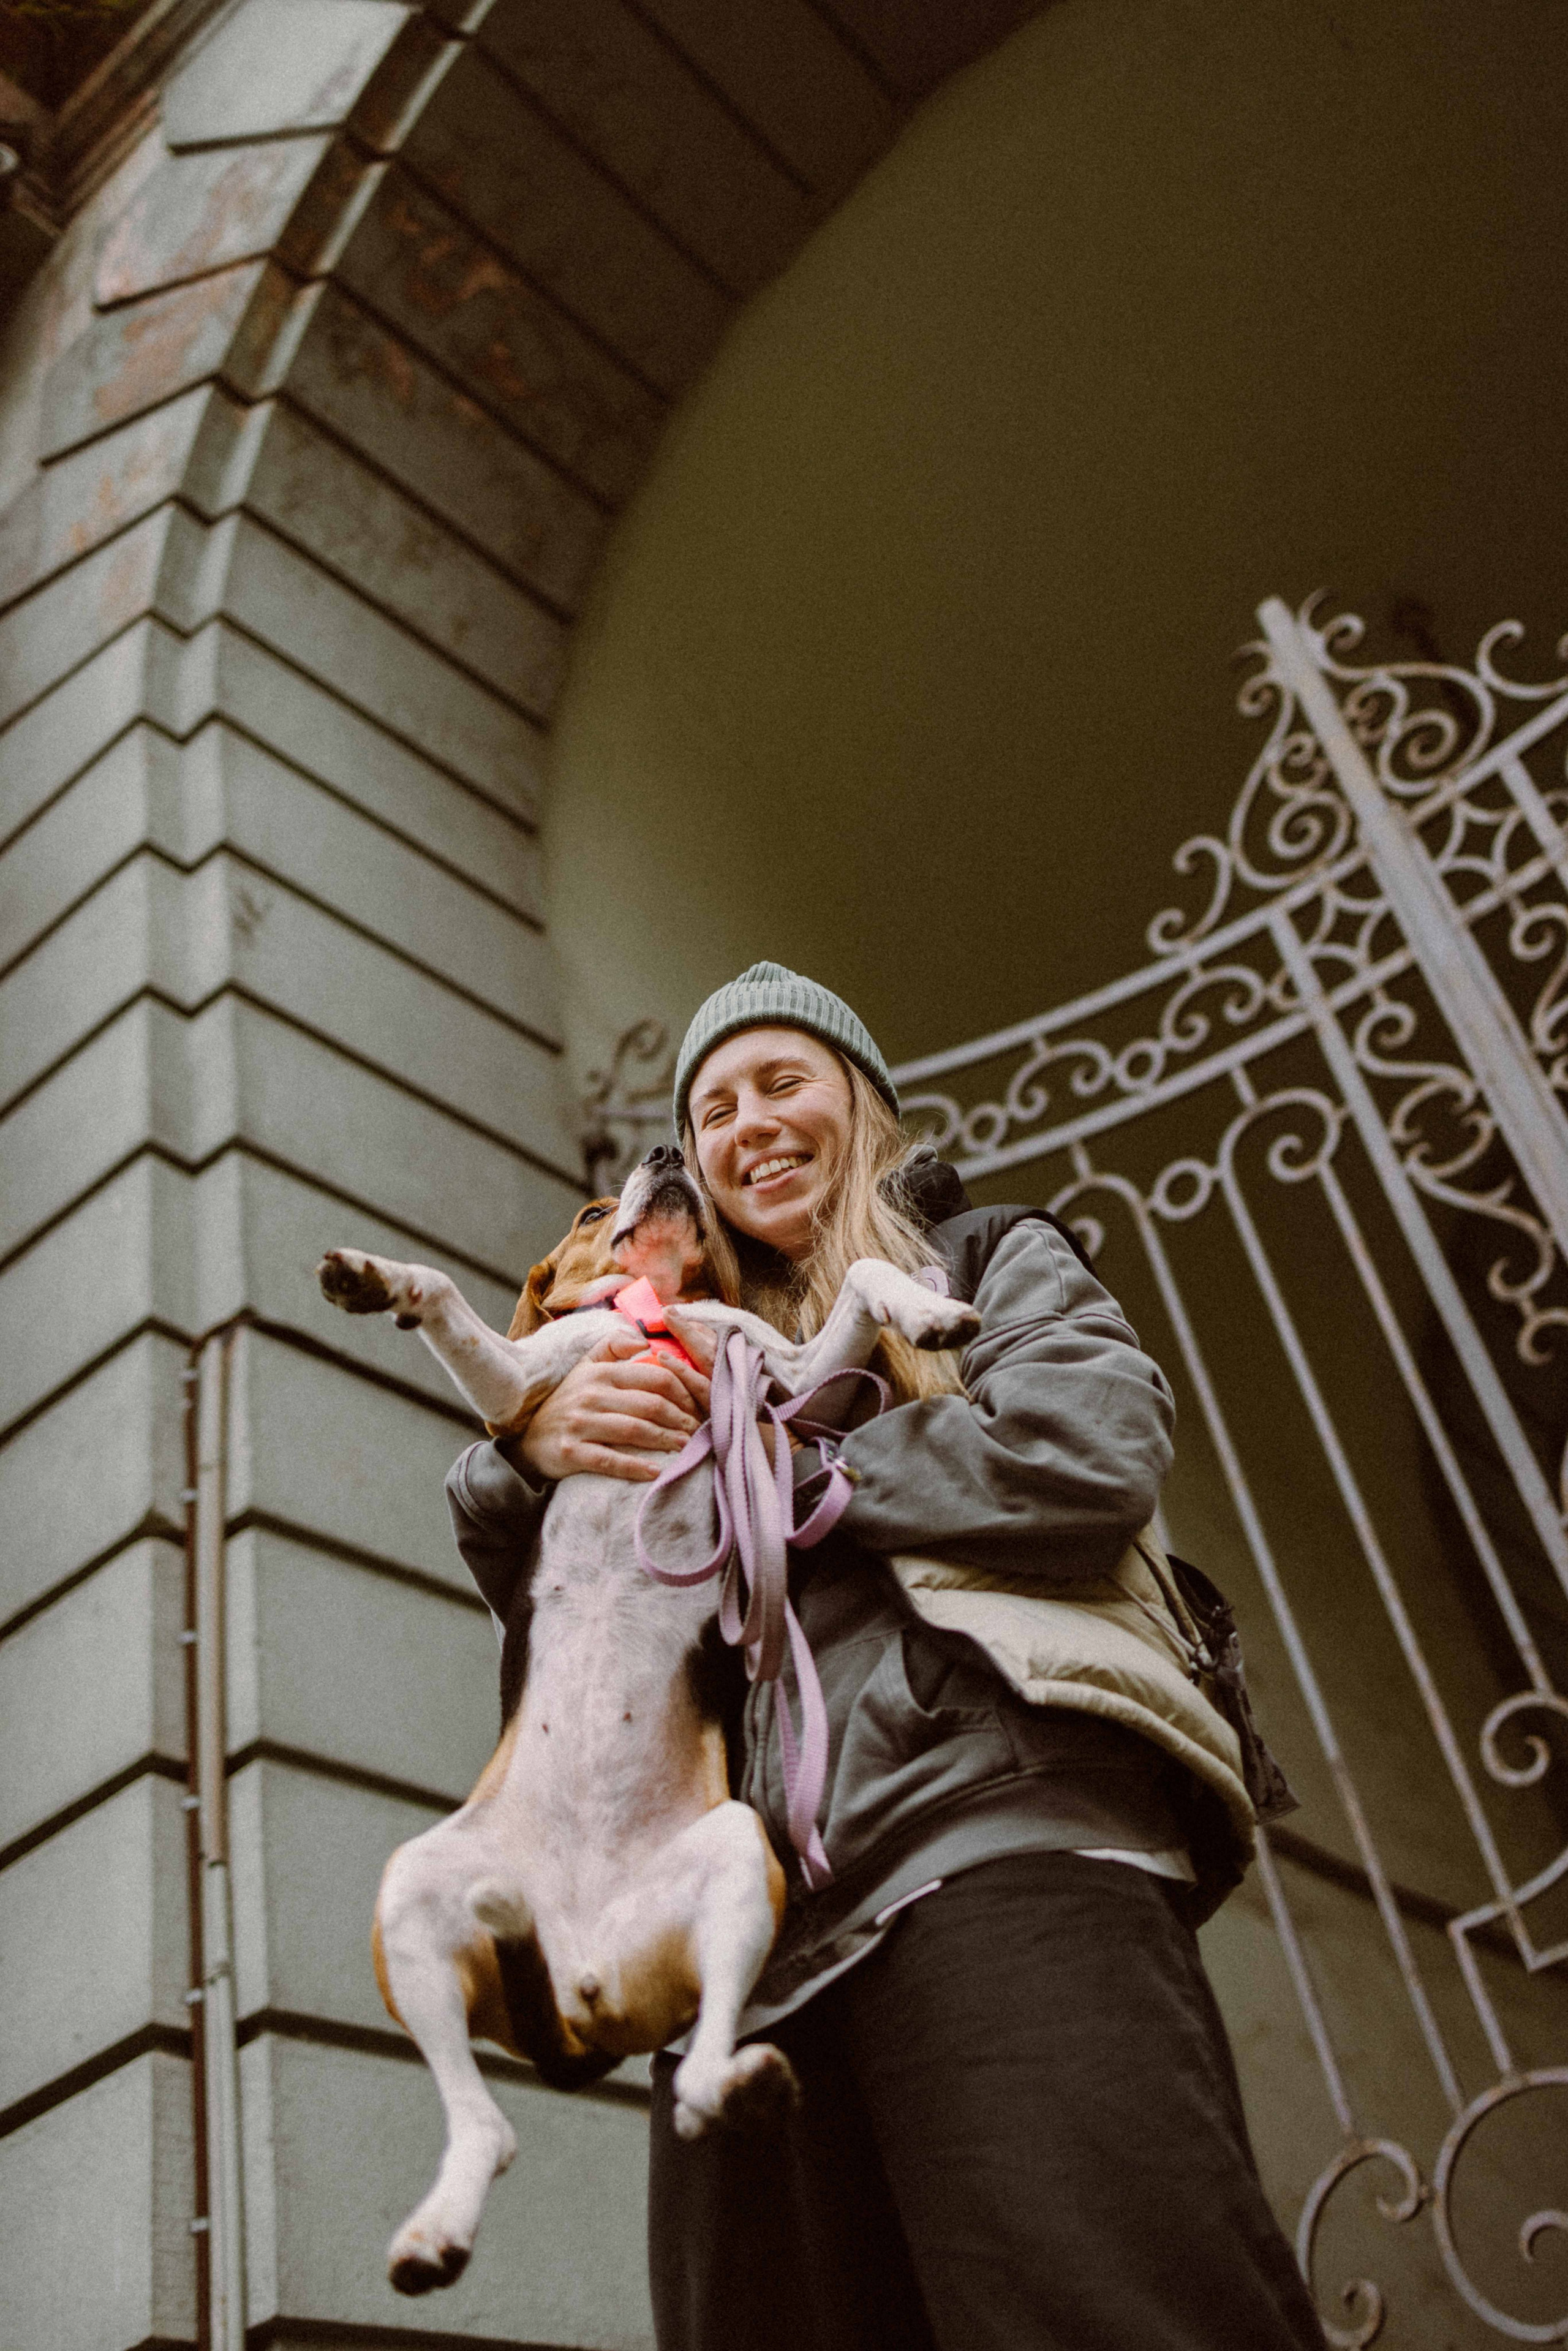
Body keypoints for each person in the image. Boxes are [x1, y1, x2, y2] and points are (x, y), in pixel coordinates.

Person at [445, 962, 1325, 2351]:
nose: (748, 1123)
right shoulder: (664, 1352)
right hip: (738, 1952)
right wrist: (528, 1445)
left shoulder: (979, 1258)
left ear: (860, 1104)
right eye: (714, 1108)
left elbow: (1086, 1444)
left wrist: (794, 1466)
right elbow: (551, 1604)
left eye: (782, 1081)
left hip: (991, 1838)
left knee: (1111, 2308)